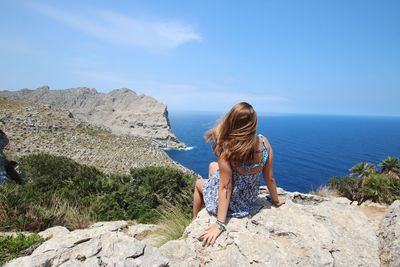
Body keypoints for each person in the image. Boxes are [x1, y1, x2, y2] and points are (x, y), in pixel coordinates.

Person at [192, 102, 286, 246]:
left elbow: (225, 188)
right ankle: (212, 186)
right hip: (248, 199)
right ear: (253, 124)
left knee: (198, 183)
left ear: (231, 121)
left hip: (233, 203)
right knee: (212, 166)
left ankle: (194, 219)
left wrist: (220, 224)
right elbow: (269, 178)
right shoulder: (264, 143)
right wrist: (276, 200)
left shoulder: (227, 149)